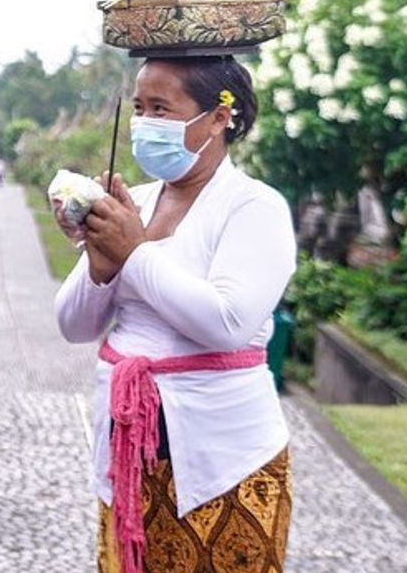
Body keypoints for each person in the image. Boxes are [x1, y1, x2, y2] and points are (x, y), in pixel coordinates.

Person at [53, 56, 295, 573]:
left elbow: (226, 324)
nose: (144, 124)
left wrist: (134, 254)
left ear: (218, 118)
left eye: (161, 109)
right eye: (139, 108)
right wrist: (102, 261)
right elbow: (73, 325)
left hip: (226, 461)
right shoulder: (133, 203)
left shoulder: (255, 207)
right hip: (129, 454)